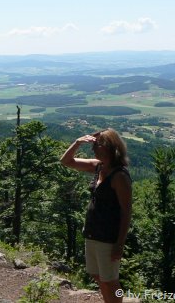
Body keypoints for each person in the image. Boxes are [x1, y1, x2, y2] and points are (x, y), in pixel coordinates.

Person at [60, 128, 132, 303]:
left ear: (111, 147)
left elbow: (126, 211)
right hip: (92, 232)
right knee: (97, 275)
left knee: (110, 280)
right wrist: (77, 142)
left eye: (98, 145)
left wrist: (119, 244)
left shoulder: (119, 176)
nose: (93, 148)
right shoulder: (98, 166)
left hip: (108, 237)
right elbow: (66, 161)